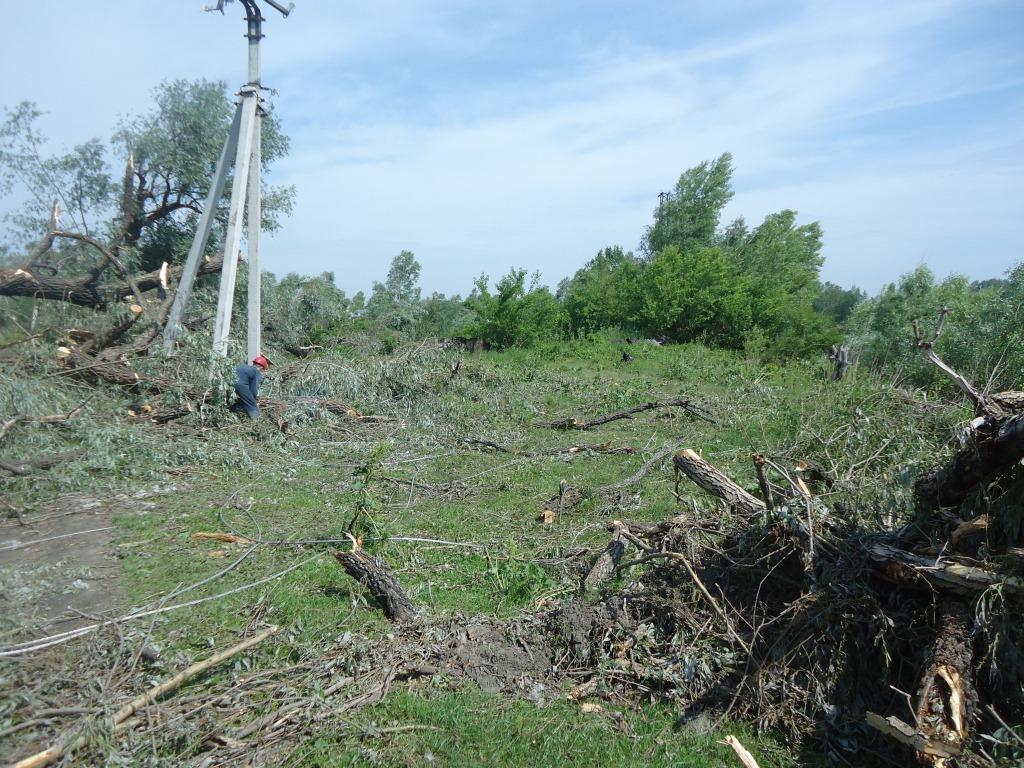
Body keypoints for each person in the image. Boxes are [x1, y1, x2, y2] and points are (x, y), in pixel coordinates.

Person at [230, 354, 268, 419]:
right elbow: (254, 388)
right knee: (252, 405)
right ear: (261, 367)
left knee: (239, 401)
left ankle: (230, 412)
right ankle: (256, 422)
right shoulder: (256, 372)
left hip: (229, 384)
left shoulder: (243, 366)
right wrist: (254, 398)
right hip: (241, 386)